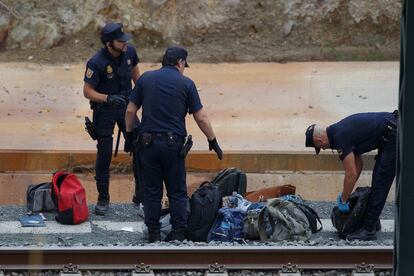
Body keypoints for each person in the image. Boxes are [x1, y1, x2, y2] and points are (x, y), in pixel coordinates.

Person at [125, 46, 223, 242]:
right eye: (184, 65)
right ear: (180, 62)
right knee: (177, 191)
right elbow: (201, 117)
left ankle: (153, 233)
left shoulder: (145, 79)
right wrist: (212, 140)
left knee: (152, 191)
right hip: (173, 146)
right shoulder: (186, 83)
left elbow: (130, 111)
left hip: (148, 144)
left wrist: (129, 136)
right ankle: (178, 233)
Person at [305, 111, 397, 240]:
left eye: (320, 147)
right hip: (391, 131)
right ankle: (373, 223)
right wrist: (347, 194)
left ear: (319, 141)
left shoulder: (339, 139)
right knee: (378, 180)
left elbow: (351, 174)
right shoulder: (340, 131)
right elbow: (357, 166)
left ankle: (368, 229)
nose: (324, 149)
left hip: (393, 134)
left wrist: (343, 199)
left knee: (380, 182)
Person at [83, 22, 143, 216]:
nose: (125, 43)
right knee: (104, 154)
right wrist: (107, 98)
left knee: (140, 146)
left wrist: (139, 98)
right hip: (105, 111)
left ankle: (140, 194)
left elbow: (137, 79)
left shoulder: (130, 52)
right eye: (120, 41)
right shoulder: (96, 62)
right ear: (109, 43)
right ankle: (103, 197)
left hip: (127, 108)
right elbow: (87, 92)